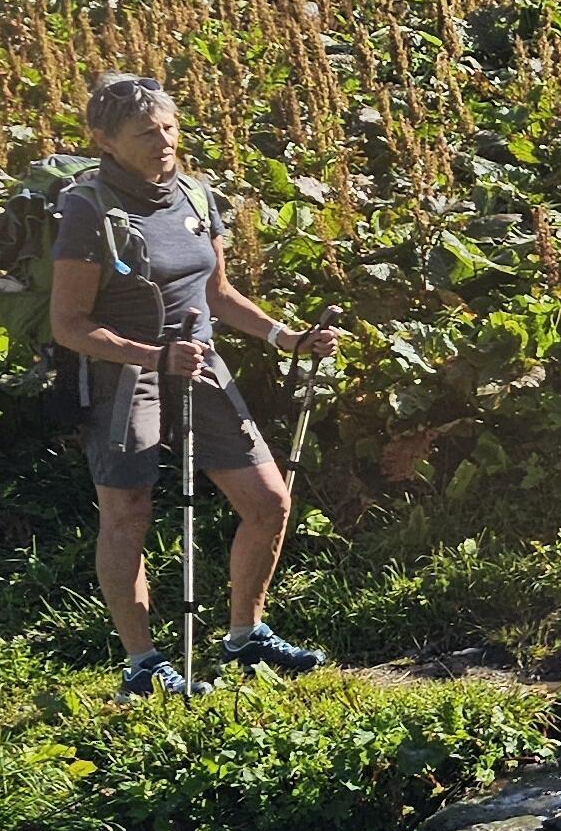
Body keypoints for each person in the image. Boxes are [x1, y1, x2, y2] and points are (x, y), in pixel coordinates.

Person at [46, 74, 343, 698]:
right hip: (124, 377)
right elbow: (68, 324)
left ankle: (246, 636)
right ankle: (143, 665)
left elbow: (217, 293)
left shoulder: (195, 195)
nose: (164, 141)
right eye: (145, 133)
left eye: (169, 127)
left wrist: (286, 337)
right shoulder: (88, 209)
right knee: (127, 513)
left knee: (269, 502)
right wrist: (153, 356)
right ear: (104, 140)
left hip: (200, 366)